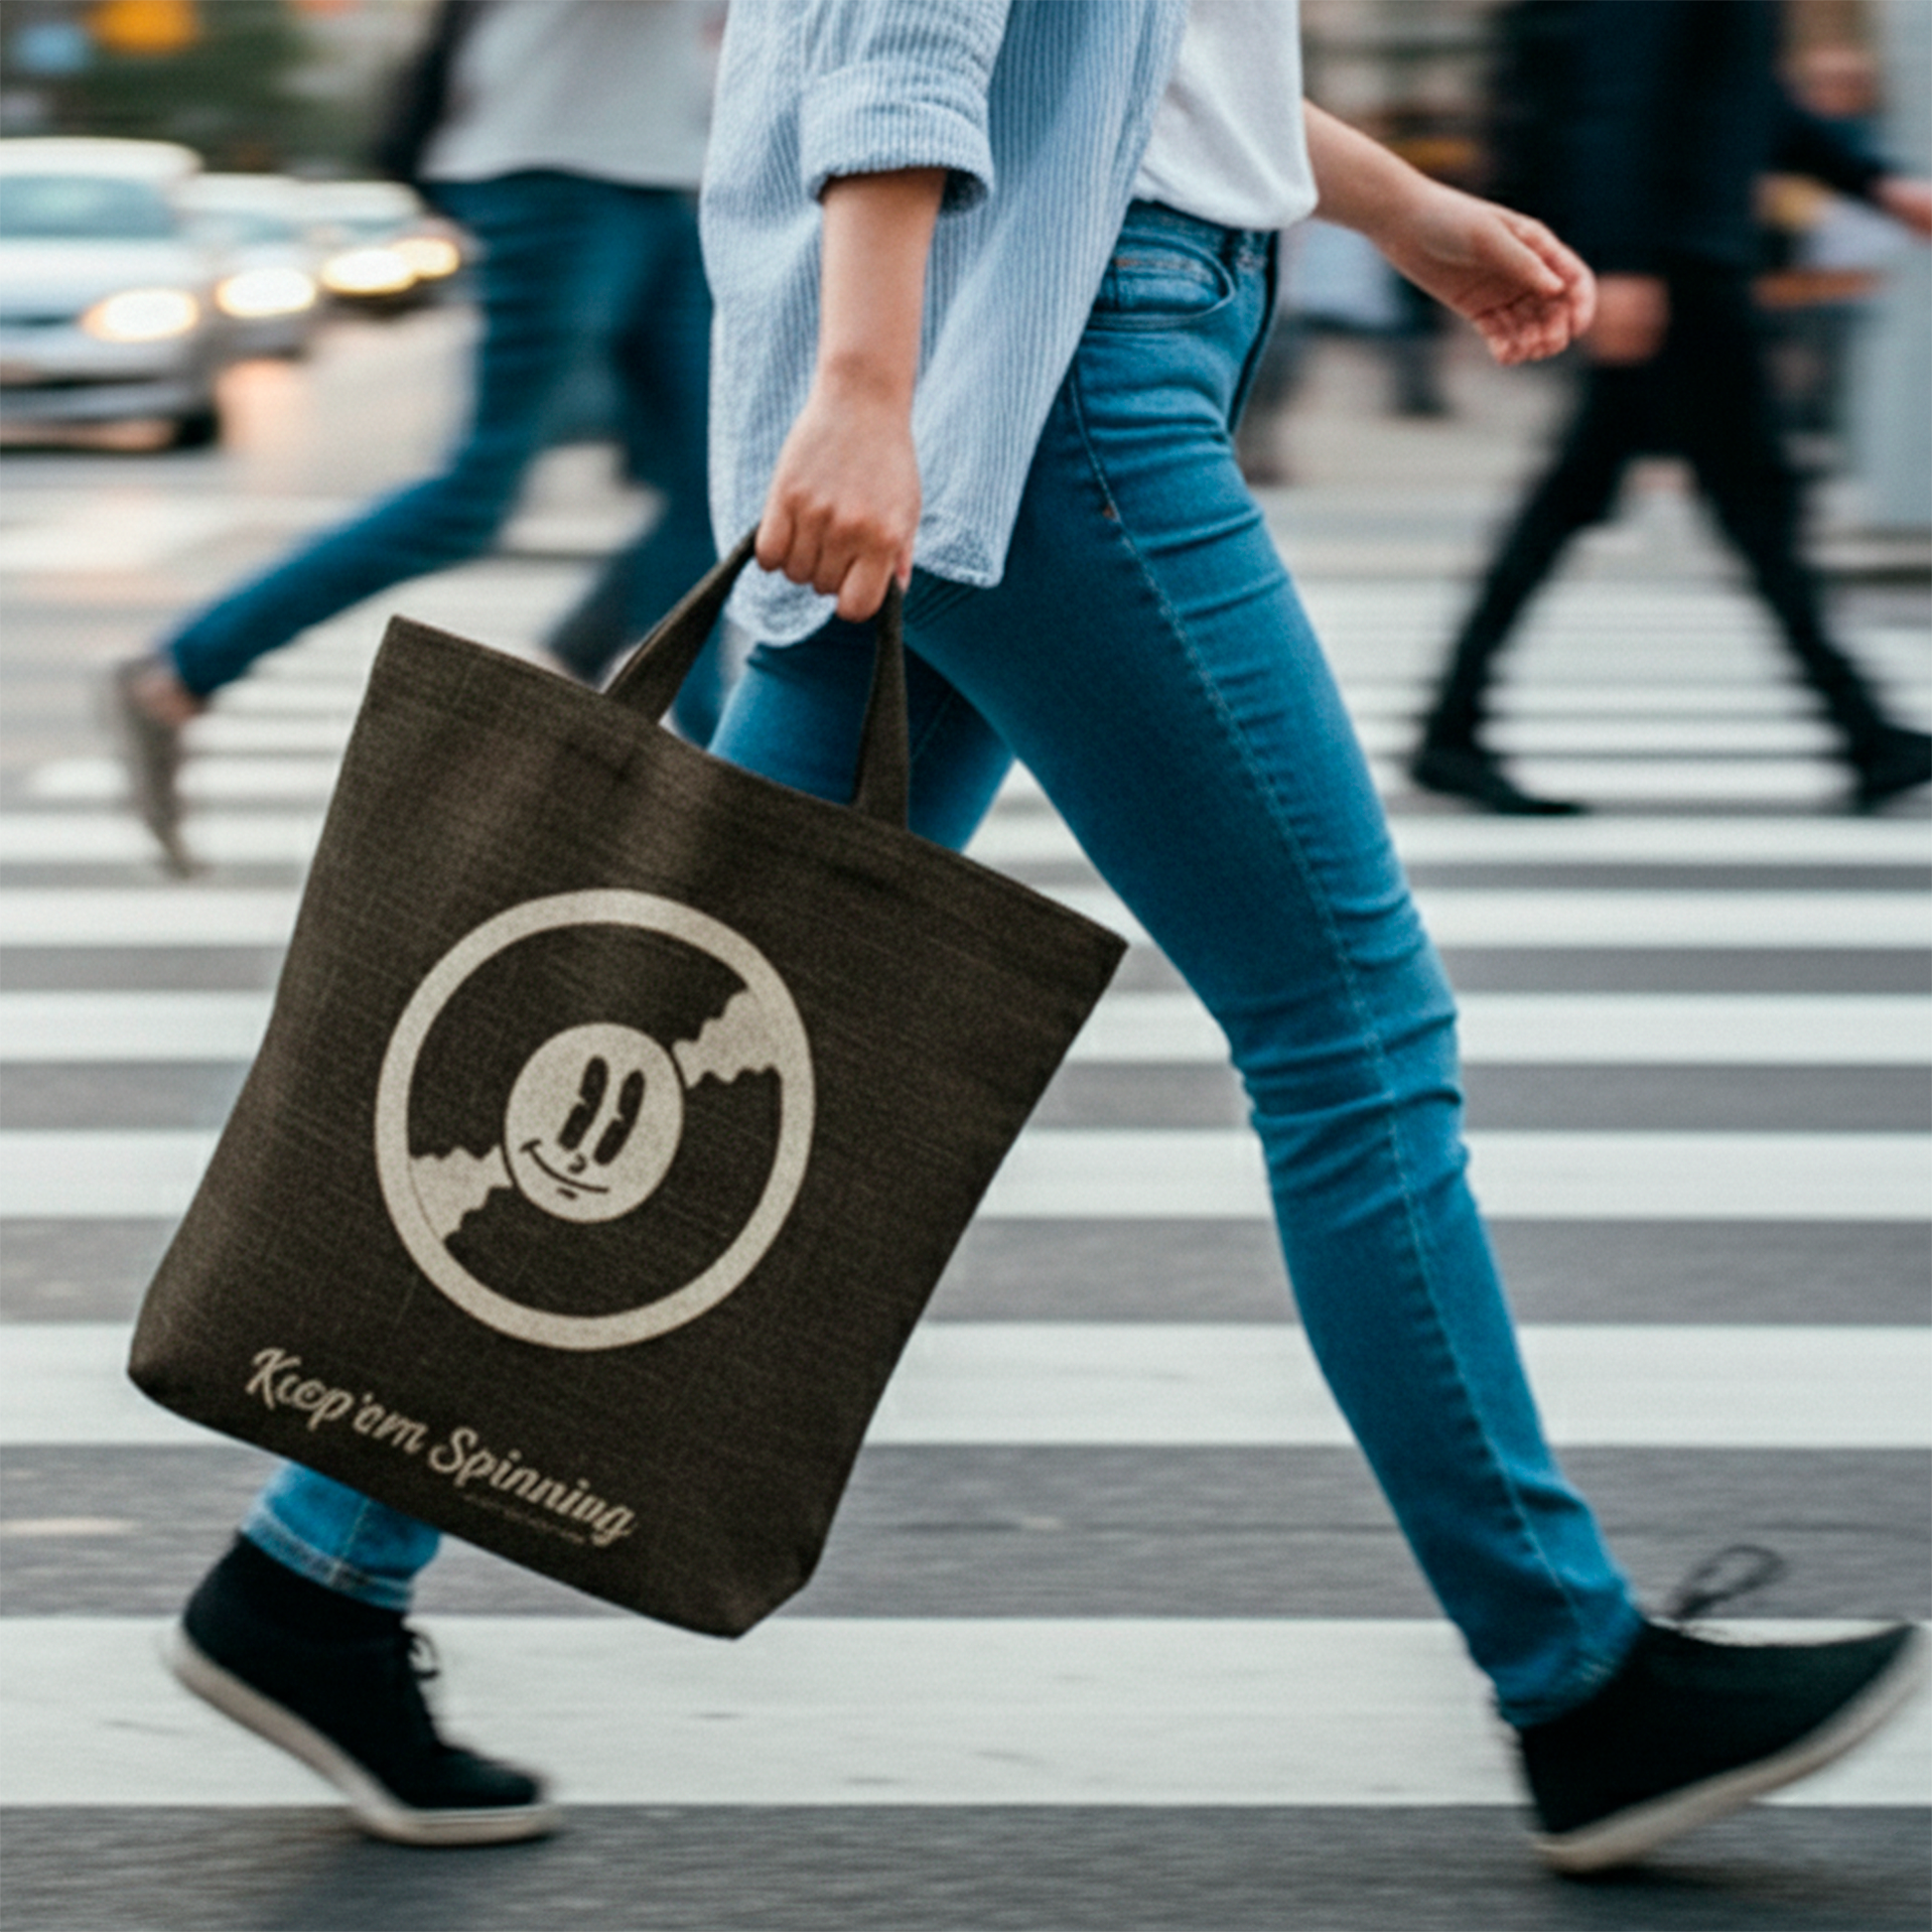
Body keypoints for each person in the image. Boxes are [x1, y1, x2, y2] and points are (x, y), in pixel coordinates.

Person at [164, 0, 1923, 1870]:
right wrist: (866, 386)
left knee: (720, 1033)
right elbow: (908, 30)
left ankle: (314, 1578)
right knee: (1349, 1033)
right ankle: (1576, 1678)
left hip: (1026, 339)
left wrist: (1399, 207)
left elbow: (1128, 51)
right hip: (1053, 375)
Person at [105, 0, 725, 877]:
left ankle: (666, 751)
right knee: (474, 497)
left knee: (710, 493)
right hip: (552, 173)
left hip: (658, 179)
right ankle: (179, 672)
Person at [1409, 0, 1932, 816]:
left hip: (1687, 262)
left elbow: (1740, 94)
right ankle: (1865, 733)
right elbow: (1618, 94)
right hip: (1674, 274)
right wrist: (1621, 265)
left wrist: (1876, 183)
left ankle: (1453, 726)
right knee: (1740, 505)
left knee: (1622, 501)